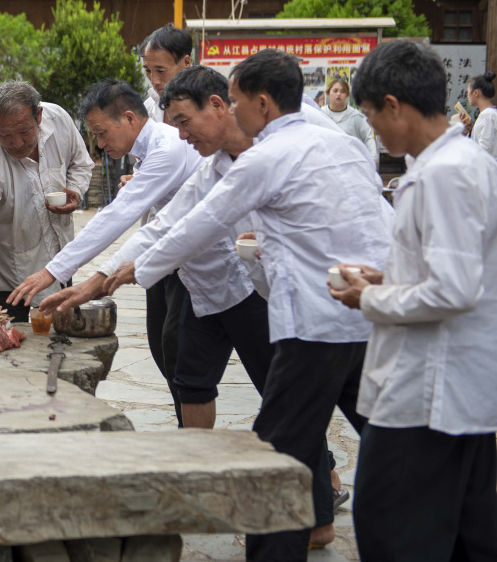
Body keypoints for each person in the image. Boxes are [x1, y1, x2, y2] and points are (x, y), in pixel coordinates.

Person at [99, 50, 392, 559]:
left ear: (260, 102)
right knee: (383, 433)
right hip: (363, 316)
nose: (231, 110)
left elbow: (198, 224)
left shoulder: (264, 156)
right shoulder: (336, 142)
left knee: (278, 447)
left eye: (233, 101)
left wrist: (133, 272)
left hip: (312, 325)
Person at [43, 66, 343, 546]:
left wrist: (124, 273)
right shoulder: (211, 164)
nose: (182, 135)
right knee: (191, 380)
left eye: (187, 123)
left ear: (223, 106)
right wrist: (96, 280)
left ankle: (319, 516)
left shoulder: (276, 150)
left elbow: (193, 227)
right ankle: (199, 481)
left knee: (286, 403)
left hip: (261, 295)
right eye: (176, 125)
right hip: (205, 290)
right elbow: (168, 225)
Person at [331, 41, 497, 561]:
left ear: (394, 106)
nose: (372, 130)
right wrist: (393, 276)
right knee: (468, 537)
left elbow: (452, 289)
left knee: (392, 530)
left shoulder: (444, 174)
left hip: (430, 393)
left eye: (371, 116)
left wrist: (371, 296)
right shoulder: (459, 162)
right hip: (457, 389)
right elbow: (454, 269)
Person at [8, 79, 200, 423]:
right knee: (167, 352)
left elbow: (116, 216)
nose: (98, 144)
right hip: (173, 262)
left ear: (129, 118)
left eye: (100, 133)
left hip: (198, 266)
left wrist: (55, 273)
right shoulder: (149, 151)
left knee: (186, 363)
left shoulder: (166, 150)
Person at [0, 81, 93, 321]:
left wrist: (76, 192)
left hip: (59, 259)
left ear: (38, 116)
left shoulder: (58, 119)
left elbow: (80, 164)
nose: (17, 143)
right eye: (5, 135)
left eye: (25, 131)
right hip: (9, 271)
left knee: (58, 342)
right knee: (6, 343)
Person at [140, 23, 193, 122]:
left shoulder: (207, 106)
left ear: (186, 62)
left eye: (161, 71)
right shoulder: (148, 110)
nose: (154, 81)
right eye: (148, 71)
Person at [321, 79, 378, 165]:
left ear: (347, 95)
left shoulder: (355, 116)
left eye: (343, 91)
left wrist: (373, 158)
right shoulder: (321, 114)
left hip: (350, 163)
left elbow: (368, 137)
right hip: (326, 163)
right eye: (335, 91)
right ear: (328, 93)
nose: (338, 94)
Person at [468, 71, 497, 159]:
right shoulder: (490, 113)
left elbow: (484, 149)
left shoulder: (487, 115)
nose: (467, 96)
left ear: (476, 93)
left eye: (468, 92)